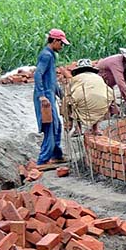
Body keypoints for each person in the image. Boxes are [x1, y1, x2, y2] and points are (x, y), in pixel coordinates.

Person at [34, 28, 69, 166]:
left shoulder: (51, 55)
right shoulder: (46, 55)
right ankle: (43, 160)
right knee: (50, 126)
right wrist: (42, 96)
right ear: (54, 40)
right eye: (61, 43)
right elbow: (38, 74)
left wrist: (61, 94)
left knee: (57, 125)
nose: (62, 46)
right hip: (44, 96)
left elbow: (51, 79)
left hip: (49, 93)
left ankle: (57, 155)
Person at [66, 59, 115, 135]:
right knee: (97, 100)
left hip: (83, 103)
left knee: (70, 101)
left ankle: (77, 129)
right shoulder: (98, 77)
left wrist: (69, 118)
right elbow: (109, 91)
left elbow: (68, 94)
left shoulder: (75, 78)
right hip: (101, 104)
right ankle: (95, 129)